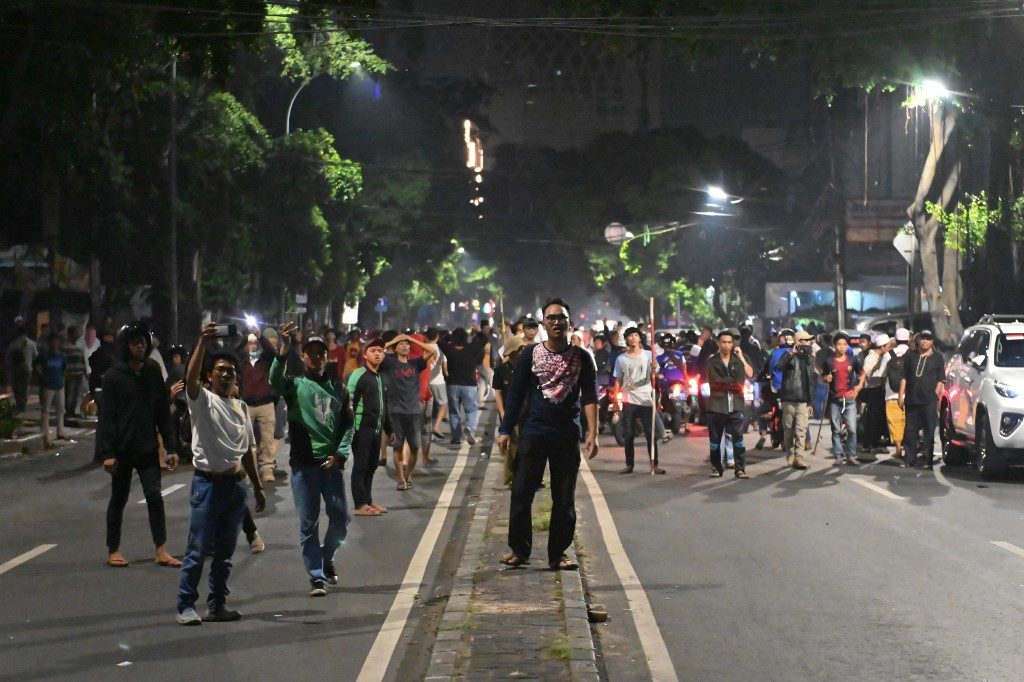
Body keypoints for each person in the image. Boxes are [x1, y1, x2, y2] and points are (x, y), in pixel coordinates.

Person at [175, 322, 266, 625]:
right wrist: (202, 342)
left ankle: (217, 605)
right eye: (221, 370)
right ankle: (186, 605)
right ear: (210, 376)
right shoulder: (202, 401)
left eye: (231, 371)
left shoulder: (240, 406)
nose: (227, 374)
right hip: (208, 486)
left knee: (226, 553)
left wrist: (257, 487)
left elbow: (247, 453)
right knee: (198, 549)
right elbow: (189, 380)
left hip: (235, 488)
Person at [497, 297, 598, 571]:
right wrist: (505, 429)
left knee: (564, 497)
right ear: (544, 323)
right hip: (534, 433)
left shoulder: (582, 357)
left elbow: (590, 396)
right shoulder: (530, 354)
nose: (556, 322)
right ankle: (519, 550)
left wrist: (593, 432)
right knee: (521, 493)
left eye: (561, 318)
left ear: (570, 323)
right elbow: (516, 394)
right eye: (551, 318)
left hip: (566, 435)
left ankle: (558, 554)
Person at [269, 323, 353, 596]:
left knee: (341, 519)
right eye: (310, 352)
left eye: (320, 352)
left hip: (331, 467)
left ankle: (326, 558)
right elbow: (274, 381)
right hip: (304, 467)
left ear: (327, 356)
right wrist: (281, 354)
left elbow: (348, 426)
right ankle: (316, 576)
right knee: (309, 524)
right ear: (303, 357)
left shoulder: (339, 390)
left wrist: (340, 455)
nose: (316, 356)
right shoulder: (294, 385)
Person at [95, 321, 181, 568]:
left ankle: (161, 549)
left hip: (147, 448)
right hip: (122, 451)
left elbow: (162, 412)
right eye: (135, 341)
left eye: (143, 340)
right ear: (125, 345)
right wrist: (107, 454)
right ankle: (114, 550)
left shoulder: (153, 371)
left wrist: (171, 448)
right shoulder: (113, 377)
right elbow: (107, 418)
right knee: (118, 499)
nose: (140, 345)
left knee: (155, 496)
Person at [341, 339, 394, 517]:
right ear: (365, 354)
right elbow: (348, 402)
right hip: (361, 428)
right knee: (361, 466)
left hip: (377, 429)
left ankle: (368, 501)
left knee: (371, 466)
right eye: (373, 350)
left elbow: (384, 405)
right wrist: (348, 428)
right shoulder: (358, 374)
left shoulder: (380, 377)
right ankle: (359, 504)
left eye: (380, 350)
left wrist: (389, 428)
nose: (377, 353)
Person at [381, 333, 434, 489]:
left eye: (407, 345)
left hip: (413, 410)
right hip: (395, 411)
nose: (405, 346)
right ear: (395, 349)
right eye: (401, 345)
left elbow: (431, 351)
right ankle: (400, 479)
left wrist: (411, 339)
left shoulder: (415, 364)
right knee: (397, 446)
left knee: (415, 446)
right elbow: (377, 350)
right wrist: (394, 341)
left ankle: (408, 475)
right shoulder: (389, 363)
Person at [611, 327, 665, 475]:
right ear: (626, 339)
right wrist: (616, 399)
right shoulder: (621, 359)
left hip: (646, 399)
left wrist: (655, 368)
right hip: (629, 400)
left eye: (636, 335)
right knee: (628, 434)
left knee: (650, 434)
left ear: (640, 338)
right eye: (630, 336)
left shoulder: (649, 355)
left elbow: (656, 375)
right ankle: (629, 465)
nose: (633, 338)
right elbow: (618, 380)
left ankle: (654, 464)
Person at [704, 328, 754, 478]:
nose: (727, 345)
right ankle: (716, 467)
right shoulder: (712, 361)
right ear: (718, 343)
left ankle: (740, 468)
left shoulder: (740, 358)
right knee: (715, 441)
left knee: (738, 439)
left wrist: (742, 359)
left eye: (729, 342)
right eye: (724, 342)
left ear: (733, 344)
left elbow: (748, 375)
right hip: (716, 406)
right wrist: (732, 383)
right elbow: (715, 382)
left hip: (736, 405)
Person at [898, 329, 945, 469]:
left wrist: (935, 396)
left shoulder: (937, 357)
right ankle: (909, 460)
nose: (925, 341)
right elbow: (904, 376)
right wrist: (901, 395)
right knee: (910, 431)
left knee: (929, 431)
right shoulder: (911, 355)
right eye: (923, 338)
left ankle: (927, 461)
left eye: (928, 339)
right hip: (912, 399)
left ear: (932, 341)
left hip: (929, 401)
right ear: (918, 340)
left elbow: (941, 379)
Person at [237, 330, 279, 484]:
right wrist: (244, 337)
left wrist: (260, 336)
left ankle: (267, 468)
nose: (253, 345)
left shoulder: (265, 359)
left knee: (267, 439)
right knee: (245, 440)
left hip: (265, 403)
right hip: (246, 404)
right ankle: (247, 469)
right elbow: (233, 352)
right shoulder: (241, 360)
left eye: (255, 342)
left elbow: (273, 353)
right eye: (250, 342)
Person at [821, 332, 865, 466]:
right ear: (834, 346)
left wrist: (858, 387)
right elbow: (824, 376)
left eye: (844, 344)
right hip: (835, 399)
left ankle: (851, 455)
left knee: (852, 428)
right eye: (839, 344)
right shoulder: (828, 362)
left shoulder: (853, 360)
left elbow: (862, 373)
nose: (842, 347)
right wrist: (826, 378)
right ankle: (838, 456)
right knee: (836, 429)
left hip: (850, 399)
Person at [775, 330, 816, 469]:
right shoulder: (789, 355)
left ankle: (800, 458)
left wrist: (810, 402)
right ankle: (790, 454)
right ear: (798, 341)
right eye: (805, 340)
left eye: (809, 341)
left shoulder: (809, 358)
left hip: (803, 400)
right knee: (788, 430)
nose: (808, 343)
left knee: (801, 430)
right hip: (788, 398)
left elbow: (811, 381)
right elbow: (778, 367)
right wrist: (791, 353)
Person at [440, 327, 487, 447]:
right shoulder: (472, 348)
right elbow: (484, 338)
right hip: (469, 384)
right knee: (471, 410)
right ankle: (470, 429)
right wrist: (477, 331)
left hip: (453, 384)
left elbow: (439, 341)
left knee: (454, 412)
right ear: (466, 337)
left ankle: (456, 438)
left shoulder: (449, 349)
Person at [493, 336, 526, 487]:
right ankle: (513, 476)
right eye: (519, 350)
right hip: (508, 414)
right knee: (511, 446)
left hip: (526, 413)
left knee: (525, 446)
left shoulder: (527, 368)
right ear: (512, 352)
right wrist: (502, 413)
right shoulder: (501, 370)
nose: (522, 352)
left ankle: (523, 476)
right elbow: (498, 393)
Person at [879, 328, 911, 461]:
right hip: (909, 394)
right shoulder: (912, 354)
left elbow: (882, 374)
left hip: (891, 394)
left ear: (896, 340)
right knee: (908, 422)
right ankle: (909, 448)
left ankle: (898, 448)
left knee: (894, 422)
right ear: (909, 339)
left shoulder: (888, 354)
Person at [858, 333, 892, 459]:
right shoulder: (871, 357)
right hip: (873, 390)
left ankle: (875, 443)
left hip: (879, 390)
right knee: (872, 418)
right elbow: (864, 374)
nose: (889, 348)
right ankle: (868, 444)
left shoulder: (882, 356)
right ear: (882, 347)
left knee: (878, 418)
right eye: (887, 346)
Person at [34, 333, 69, 448]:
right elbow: (36, 366)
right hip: (47, 385)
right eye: (53, 342)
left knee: (60, 409)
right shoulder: (44, 356)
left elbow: (64, 369)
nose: (55, 344)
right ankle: (44, 434)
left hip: (59, 385)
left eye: (56, 341)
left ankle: (60, 432)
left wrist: (62, 380)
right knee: (46, 410)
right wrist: (42, 376)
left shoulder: (61, 356)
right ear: (49, 343)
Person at [5, 316, 36, 413]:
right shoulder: (31, 343)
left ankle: (20, 406)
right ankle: (23, 406)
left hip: (16, 369)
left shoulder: (14, 343)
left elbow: (8, 355)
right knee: (25, 388)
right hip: (28, 368)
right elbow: (35, 355)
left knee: (17, 388)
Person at [63, 325, 88, 420]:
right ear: (70, 334)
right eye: (76, 332)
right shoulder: (64, 346)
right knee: (69, 394)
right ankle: (68, 412)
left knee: (76, 394)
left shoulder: (79, 346)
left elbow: (82, 360)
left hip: (79, 374)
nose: (77, 335)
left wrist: (85, 371)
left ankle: (72, 411)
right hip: (69, 374)